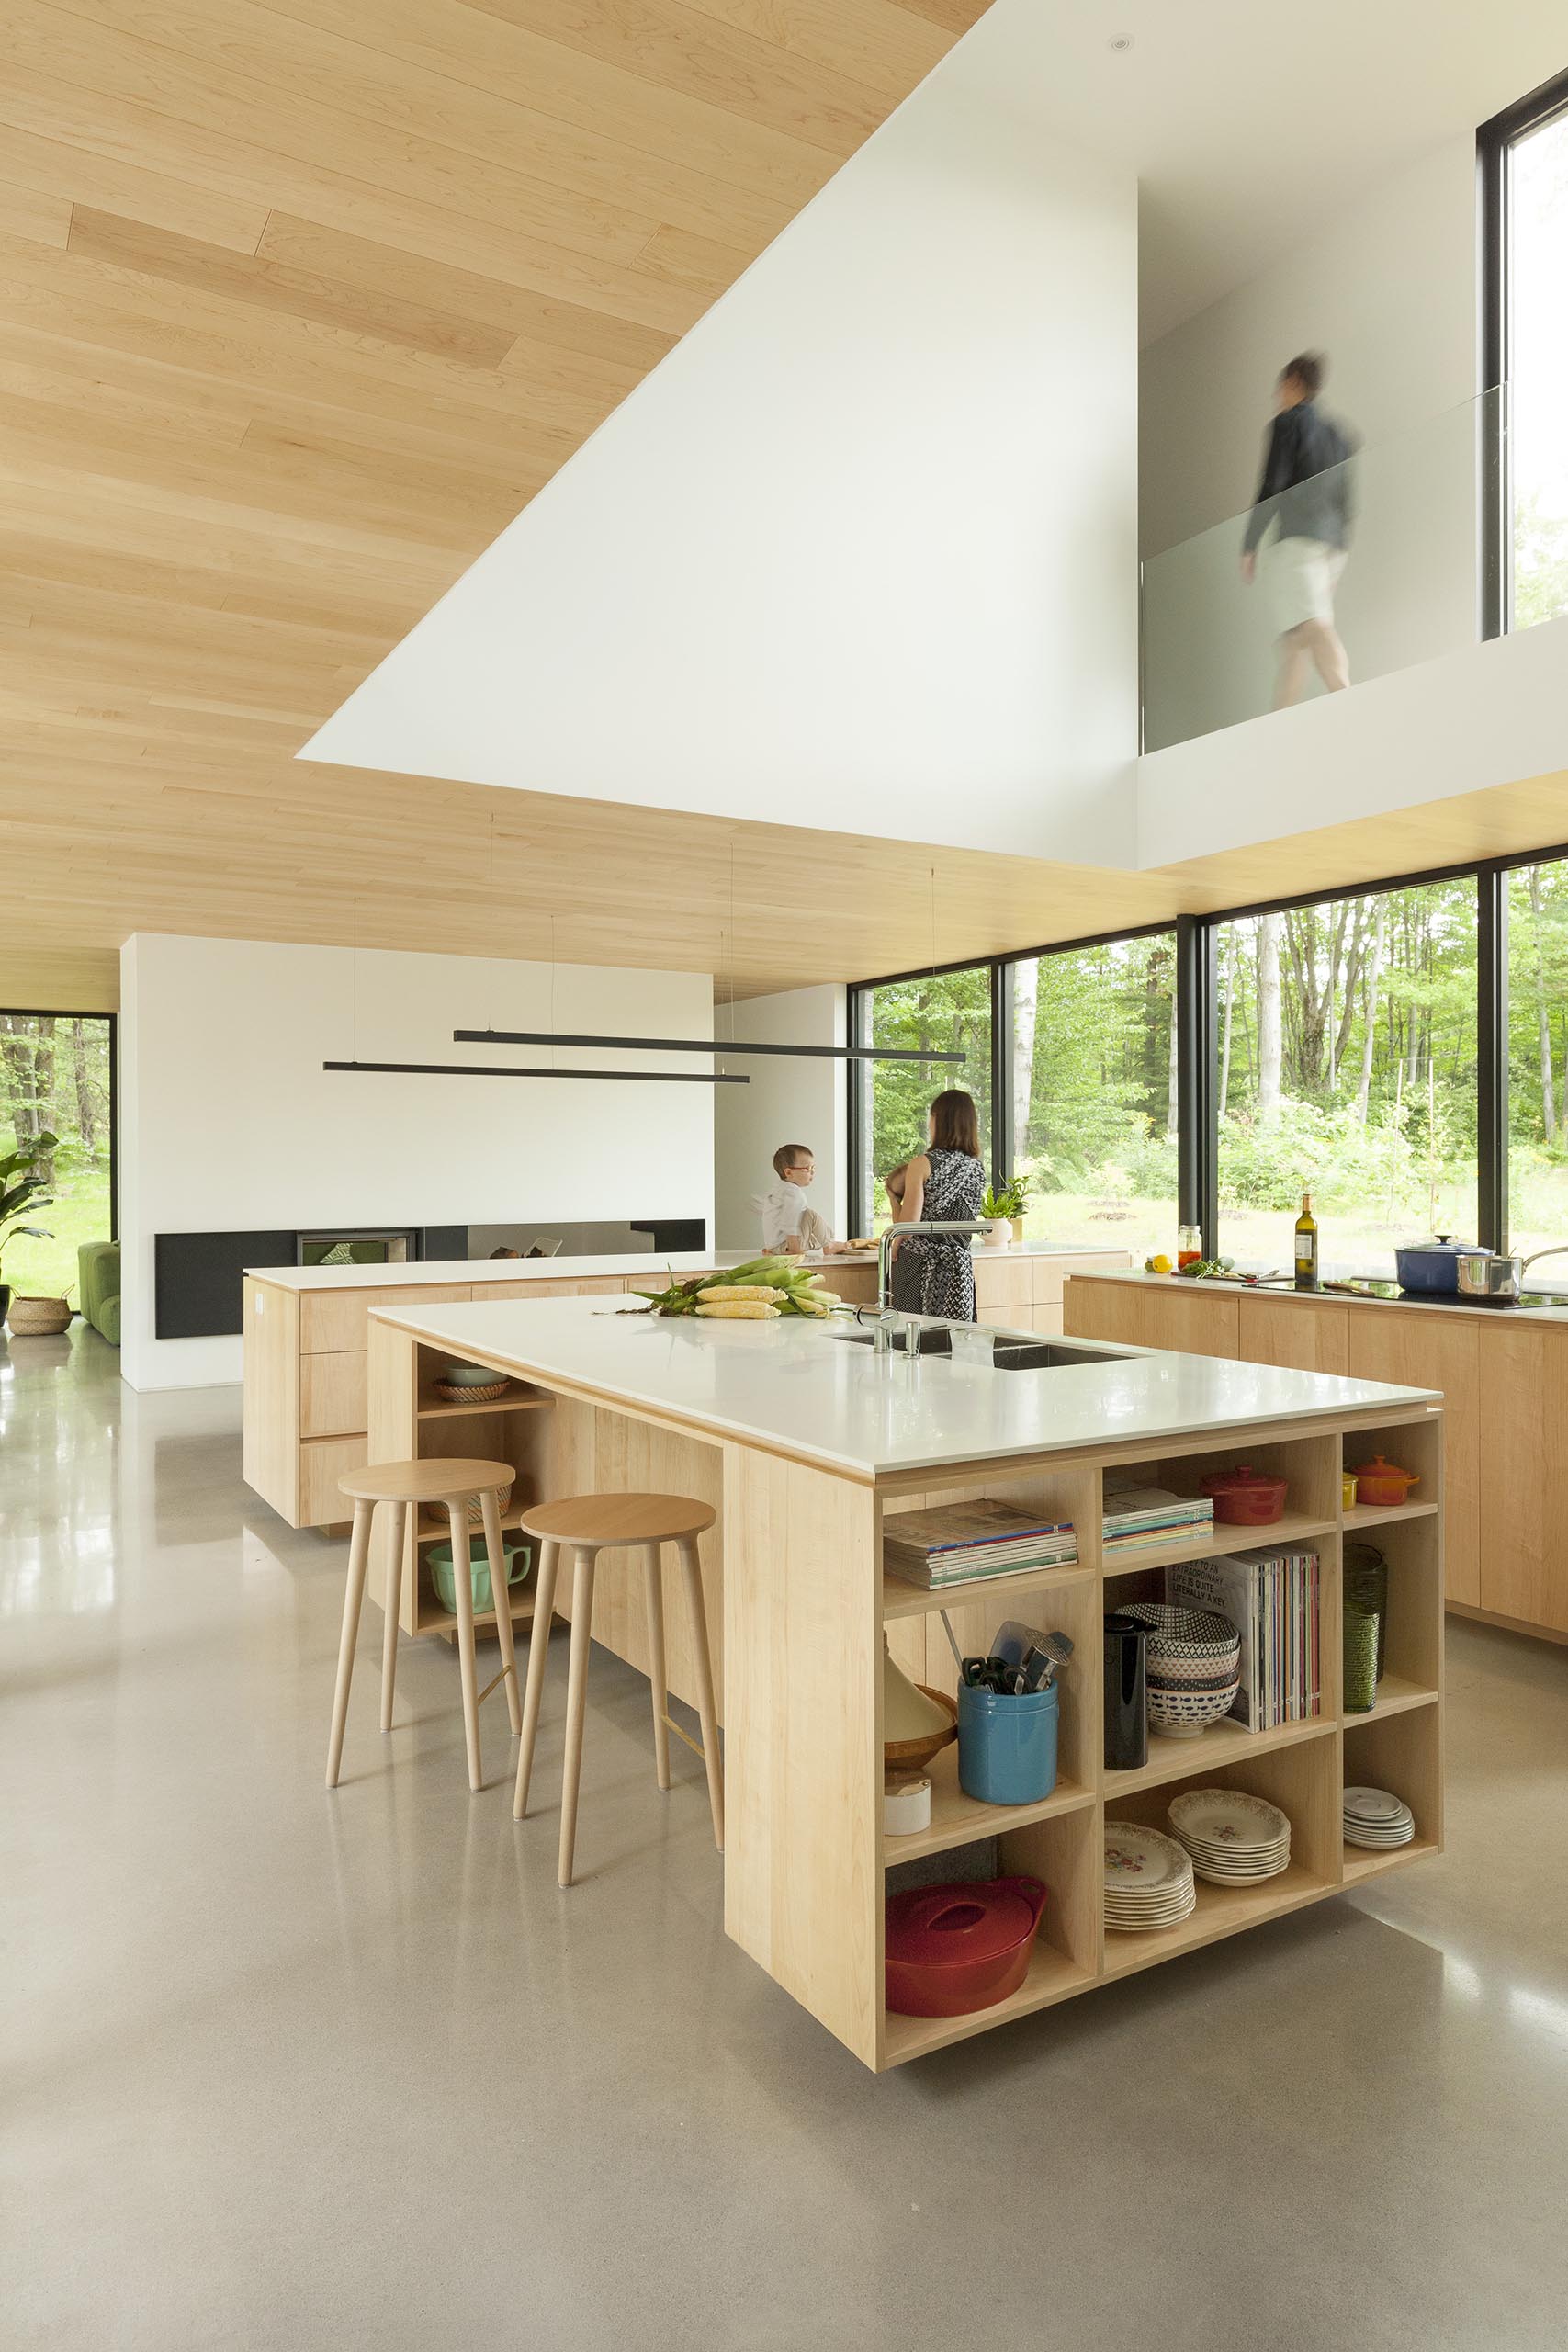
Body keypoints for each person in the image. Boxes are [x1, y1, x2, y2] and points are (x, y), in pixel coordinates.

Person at [1240, 352, 1355, 710]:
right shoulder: (1339, 437)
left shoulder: (1287, 423)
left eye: (1280, 388)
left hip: (1299, 540)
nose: (1278, 397)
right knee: (1293, 637)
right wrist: (1339, 553)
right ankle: (1281, 721)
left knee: (1312, 627)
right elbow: (1346, 502)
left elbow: (1272, 484)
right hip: (1331, 544)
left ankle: (1350, 699)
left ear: (1292, 383)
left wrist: (1249, 543)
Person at [884, 1088, 986, 1320]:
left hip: (918, 1266)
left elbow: (907, 1227)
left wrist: (892, 1199)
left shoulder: (922, 1164)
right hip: (959, 1267)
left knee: (911, 1339)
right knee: (953, 1340)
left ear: (939, 1119)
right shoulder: (977, 1168)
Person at [758, 1145, 857, 1257]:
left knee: (817, 1236)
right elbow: (790, 1225)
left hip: (774, 1246)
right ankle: (829, 1245)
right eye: (807, 1168)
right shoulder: (794, 1194)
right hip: (787, 1245)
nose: (812, 1172)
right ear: (789, 1173)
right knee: (810, 1215)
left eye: (813, 1167)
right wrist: (795, 1251)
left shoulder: (778, 1189)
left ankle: (828, 1242)